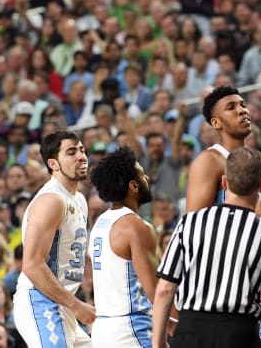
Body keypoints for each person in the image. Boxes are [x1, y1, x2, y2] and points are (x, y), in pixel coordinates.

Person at [152, 147, 261, 348]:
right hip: (239, 334)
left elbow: (164, 290)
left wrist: (159, 344)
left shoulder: (189, 223)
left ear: (224, 183)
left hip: (190, 331)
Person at [12, 131, 95, 347]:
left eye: (82, 150)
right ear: (53, 163)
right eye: (71, 152)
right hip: (41, 302)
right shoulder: (51, 201)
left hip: (62, 304)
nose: (81, 156)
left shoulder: (78, 199)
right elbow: (32, 265)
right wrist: (77, 306)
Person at [185, 86, 261, 223]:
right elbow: (194, 224)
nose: (242, 110)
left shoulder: (258, 160)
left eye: (243, 105)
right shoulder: (209, 160)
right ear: (216, 122)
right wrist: (254, 214)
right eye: (231, 108)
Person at [88, 148, 158, 348]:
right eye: (142, 174)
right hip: (132, 328)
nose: (146, 178)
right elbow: (155, 291)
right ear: (134, 186)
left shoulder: (100, 224)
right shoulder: (137, 227)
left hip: (102, 330)